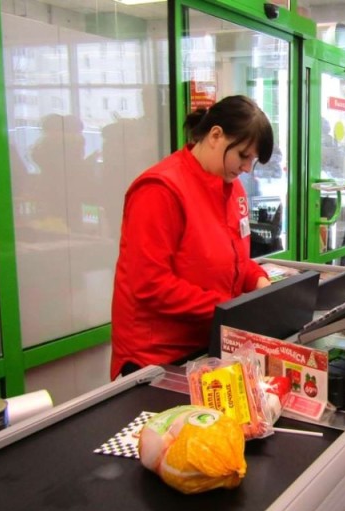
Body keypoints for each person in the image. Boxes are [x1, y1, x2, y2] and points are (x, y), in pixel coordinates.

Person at [110, 95, 274, 380]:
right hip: (157, 359)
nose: (247, 168)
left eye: (254, 160)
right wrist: (226, 309)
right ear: (215, 135)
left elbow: (235, 258)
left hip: (207, 348)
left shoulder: (232, 189)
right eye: (243, 155)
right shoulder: (160, 190)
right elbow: (150, 283)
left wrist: (258, 281)